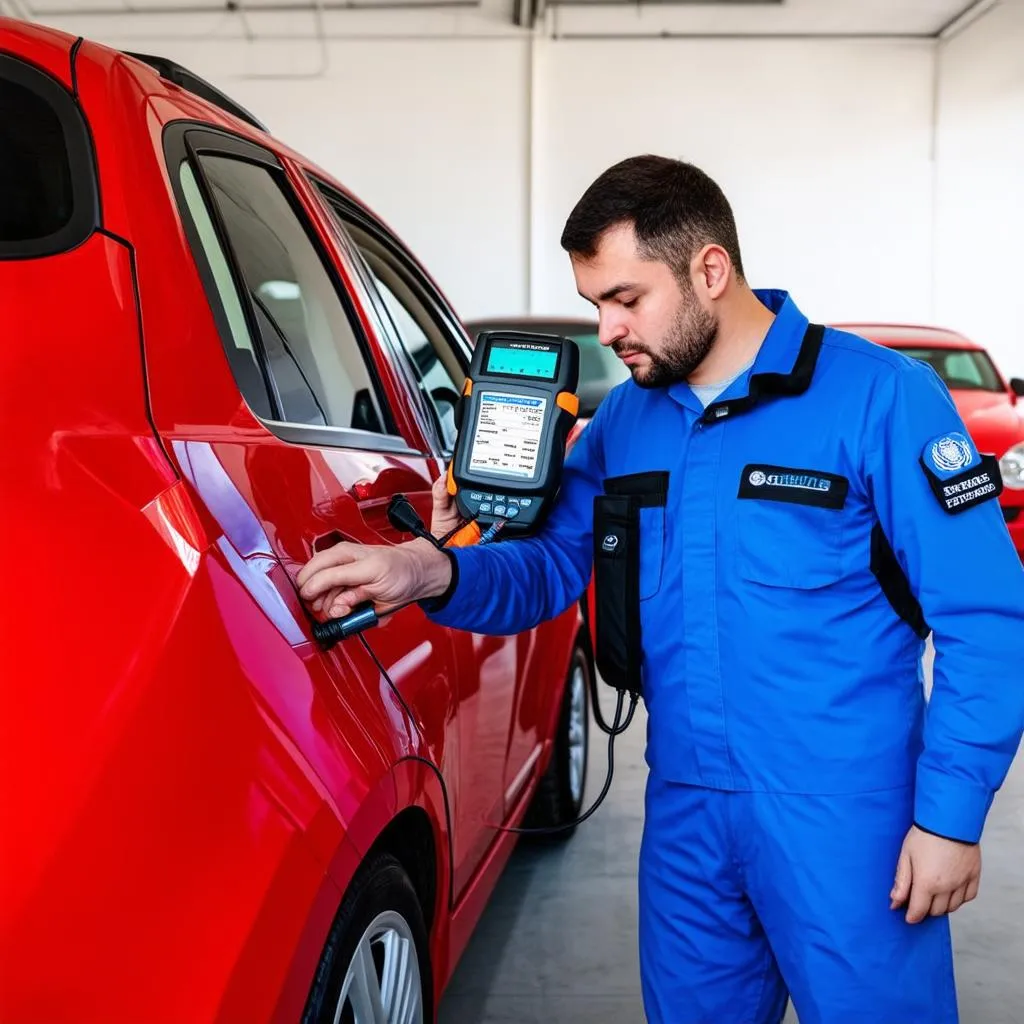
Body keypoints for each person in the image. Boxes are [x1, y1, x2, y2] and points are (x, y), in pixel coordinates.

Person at [297, 155, 1024, 1023]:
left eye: (625, 299)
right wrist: (430, 569)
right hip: (685, 812)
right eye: (594, 302)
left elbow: (988, 620)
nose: (604, 330)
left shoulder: (882, 398)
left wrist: (948, 819)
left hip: (848, 820)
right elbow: (549, 567)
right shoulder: (627, 423)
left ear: (708, 270)